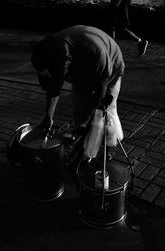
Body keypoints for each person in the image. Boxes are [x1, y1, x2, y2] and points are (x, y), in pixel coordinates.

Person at [31, 25, 125, 162]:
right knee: (80, 111)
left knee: (103, 114)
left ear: (67, 61)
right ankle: (82, 150)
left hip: (110, 68)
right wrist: (48, 117)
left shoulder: (94, 51)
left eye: (58, 73)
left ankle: (107, 149)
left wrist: (87, 122)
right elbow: (53, 87)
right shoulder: (49, 53)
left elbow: (101, 90)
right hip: (81, 71)